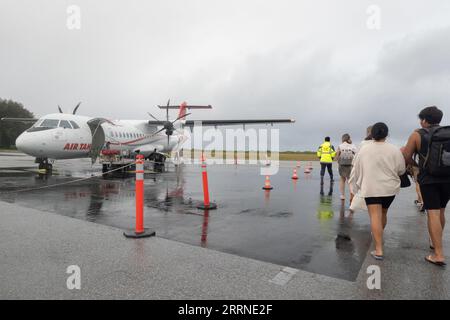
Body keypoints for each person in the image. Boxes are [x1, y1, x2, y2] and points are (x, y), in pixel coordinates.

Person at [402, 106, 450, 266]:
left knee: (433, 213)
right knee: (441, 211)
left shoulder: (417, 134)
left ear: (424, 120)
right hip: (447, 177)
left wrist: (417, 165)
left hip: (429, 178)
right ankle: (434, 242)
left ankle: (438, 254)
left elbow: (406, 156)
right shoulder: (448, 132)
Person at [351, 123, 406, 260]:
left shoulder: (364, 149)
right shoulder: (394, 149)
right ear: (386, 134)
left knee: (374, 216)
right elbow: (401, 169)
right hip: (389, 188)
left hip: (371, 187)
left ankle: (379, 249)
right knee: (383, 213)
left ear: (372, 134)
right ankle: (378, 235)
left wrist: (356, 186)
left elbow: (356, 169)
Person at [336, 134, 357, 201]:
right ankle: (352, 192)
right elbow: (357, 154)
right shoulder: (353, 146)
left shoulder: (340, 146)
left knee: (342, 179)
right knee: (350, 180)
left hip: (342, 165)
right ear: (348, 139)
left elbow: (337, 157)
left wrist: (338, 160)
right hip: (350, 165)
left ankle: (342, 195)